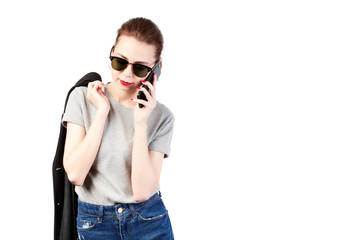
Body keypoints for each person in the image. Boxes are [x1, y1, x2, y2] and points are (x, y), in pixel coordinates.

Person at [62, 17, 175, 239]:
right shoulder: (83, 99)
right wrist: (102, 113)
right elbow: (75, 174)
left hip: (148, 221)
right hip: (95, 223)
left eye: (140, 68)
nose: (127, 74)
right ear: (112, 52)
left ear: (155, 70)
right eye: (120, 62)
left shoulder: (162, 117)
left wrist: (141, 122)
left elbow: (142, 192)